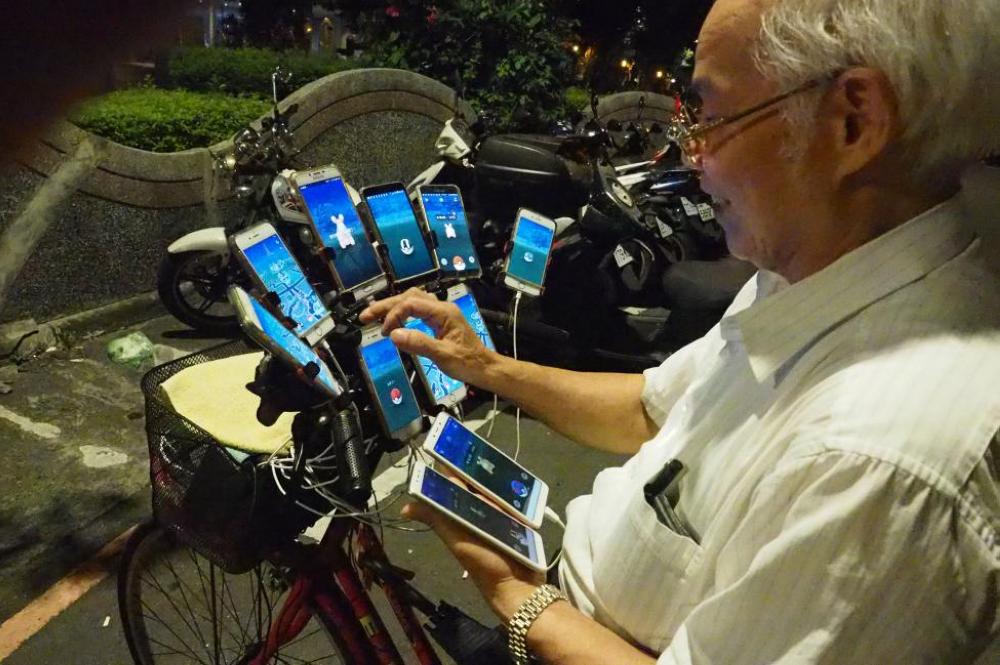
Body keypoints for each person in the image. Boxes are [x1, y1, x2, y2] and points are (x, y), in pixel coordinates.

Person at [361, 0, 1000, 662]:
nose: (693, 155)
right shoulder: (812, 267)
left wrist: (513, 594)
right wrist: (485, 366)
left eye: (715, 117)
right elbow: (652, 407)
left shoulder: (882, 461)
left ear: (853, 122)